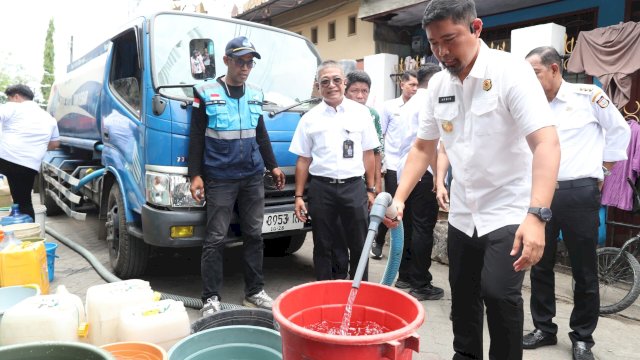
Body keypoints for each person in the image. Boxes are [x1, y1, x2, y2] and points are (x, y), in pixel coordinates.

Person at [386, 0, 561, 359]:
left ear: (476, 28)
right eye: (434, 43)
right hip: (464, 212)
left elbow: (546, 143)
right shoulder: (436, 86)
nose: (442, 52)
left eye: (450, 39)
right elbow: (423, 148)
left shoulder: (510, 72)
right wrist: (400, 197)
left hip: (510, 209)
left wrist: (537, 214)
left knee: (499, 294)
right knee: (463, 297)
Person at [523, 46, 630, 360]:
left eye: (535, 73)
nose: (530, 81)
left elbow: (619, 130)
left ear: (554, 69)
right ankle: (544, 328)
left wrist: (602, 170)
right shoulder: (530, 104)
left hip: (579, 193)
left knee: (584, 270)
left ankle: (583, 337)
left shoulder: (587, 96)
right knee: (540, 263)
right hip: (541, 193)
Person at [188, 36, 285, 317]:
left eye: (250, 63)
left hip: (253, 176)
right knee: (215, 238)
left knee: (255, 235)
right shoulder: (205, 92)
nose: (245, 67)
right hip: (219, 177)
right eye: (240, 61)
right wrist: (195, 175)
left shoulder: (255, 93)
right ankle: (211, 298)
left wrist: (273, 165)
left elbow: (260, 134)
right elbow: (196, 137)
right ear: (227, 61)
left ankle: (254, 292)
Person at [290, 60, 379, 281]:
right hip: (322, 189)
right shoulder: (309, 118)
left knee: (359, 243)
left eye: (336, 80)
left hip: (354, 187)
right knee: (323, 244)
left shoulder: (361, 113)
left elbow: (369, 153)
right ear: (318, 86)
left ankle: (360, 290)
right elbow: (303, 159)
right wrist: (299, 196)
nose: (331, 85)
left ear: (344, 82)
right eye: (325, 81)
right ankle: (325, 291)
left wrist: (371, 189)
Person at [393, 63, 444, 301]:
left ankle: (405, 275)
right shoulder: (428, 102)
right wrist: (439, 177)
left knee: (411, 226)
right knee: (423, 227)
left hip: (406, 171)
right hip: (424, 173)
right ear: (433, 80)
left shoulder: (409, 103)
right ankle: (421, 282)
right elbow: (429, 145)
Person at [329, 70, 384, 280]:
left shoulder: (372, 115)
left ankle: (359, 282)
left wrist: (376, 187)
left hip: (362, 187)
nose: (360, 96)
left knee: (360, 237)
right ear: (345, 89)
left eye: (365, 91)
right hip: (337, 185)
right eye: (355, 91)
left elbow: (376, 152)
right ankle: (338, 280)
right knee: (338, 236)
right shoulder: (333, 111)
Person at [371, 70, 418, 260]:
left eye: (417, 85)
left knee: (408, 209)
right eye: (411, 85)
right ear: (402, 85)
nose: (415, 88)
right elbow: (379, 136)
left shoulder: (421, 107)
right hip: (392, 165)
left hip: (413, 167)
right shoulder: (389, 107)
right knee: (391, 207)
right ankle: (379, 240)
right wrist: (380, 163)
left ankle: (402, 250)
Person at [0, 84, 59, 220]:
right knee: (24, 203)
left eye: (9, 98)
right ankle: (29, 234)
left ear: (16, 96)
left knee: (19, 199)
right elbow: (55, 144)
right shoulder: (49, 118)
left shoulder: (13, 106)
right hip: (29, 165)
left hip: (6, 158)